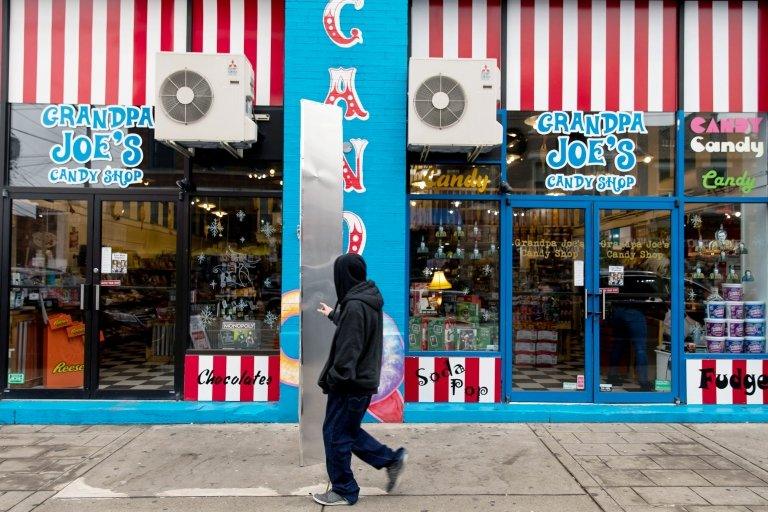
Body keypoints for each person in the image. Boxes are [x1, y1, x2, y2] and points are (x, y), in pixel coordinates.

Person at [313, 253, 408, 507]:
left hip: (349, 384)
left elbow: (350, 348)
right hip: (360, 382)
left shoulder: (355, 306)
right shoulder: (366, 300)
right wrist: (334, 314)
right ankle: (392, 460)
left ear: (343, 275)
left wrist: (335, 377)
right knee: (347, 432)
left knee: (335, 435)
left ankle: (344, 489)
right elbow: (356, 329)